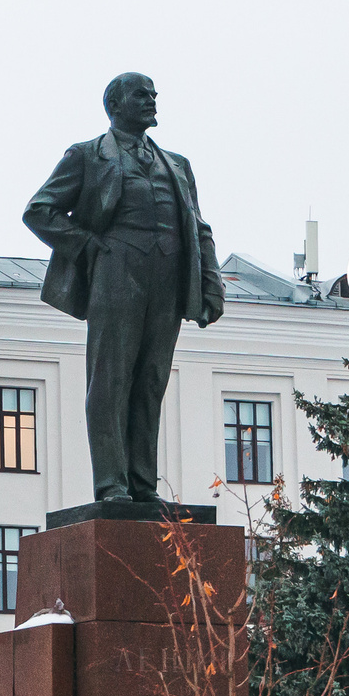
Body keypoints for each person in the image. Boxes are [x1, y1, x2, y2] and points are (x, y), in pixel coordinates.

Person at [22, 72, 223, 506]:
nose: (152, 101)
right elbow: (39, 210)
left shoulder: (179, 164)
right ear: (115, 104)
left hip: (168, 280)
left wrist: (211, 284)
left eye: (154, 95)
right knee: (111, 381)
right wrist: (90, 247)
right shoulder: (88, 156)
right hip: (116, 275)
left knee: (150, 382)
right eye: (141, 95)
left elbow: (198, 226)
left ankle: (143, 485)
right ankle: (111, 485)